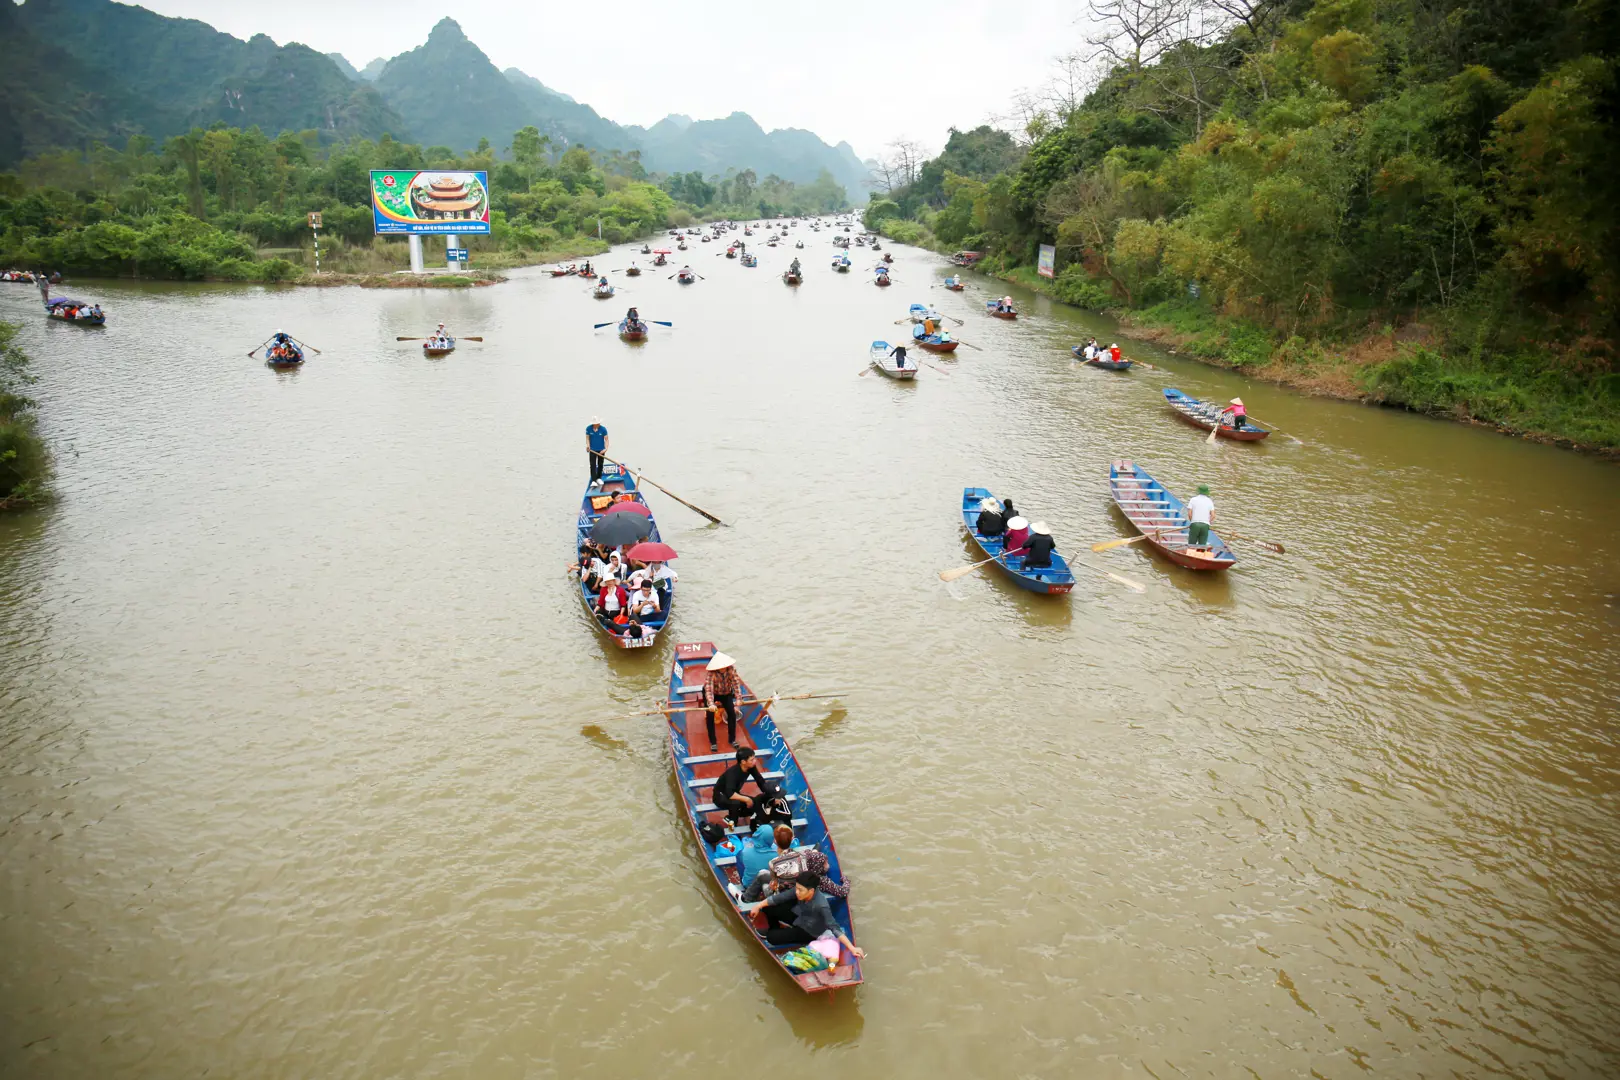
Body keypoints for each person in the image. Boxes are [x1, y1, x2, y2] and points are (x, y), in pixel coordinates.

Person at [738, 872, 865, 956]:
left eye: (800, 890)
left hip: (809, 931)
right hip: (799, 916)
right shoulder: (800, 890)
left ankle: (776, 932)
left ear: (811, 891)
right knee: (767, 907)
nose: (797, 892)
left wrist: (852, 948)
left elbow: (834, 928)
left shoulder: (821, 905)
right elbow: (780, 898)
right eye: (797, 888)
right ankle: (776, 928)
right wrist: (758, 905)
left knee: (772, 937)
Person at [711, 745, 779, 824]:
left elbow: (760, 781)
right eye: (752, 760)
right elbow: (730, 794)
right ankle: (732, 821)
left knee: (755, 803)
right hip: (720, 797)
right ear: (743, 762)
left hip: (734, 793)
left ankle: (737, 814)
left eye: (754, 758)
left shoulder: (751, 767)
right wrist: (747, 799)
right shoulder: (732, 773)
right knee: (736, 803)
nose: (755, 761)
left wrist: (771, 795)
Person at [703, 652, 742, 752]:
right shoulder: (711, 673)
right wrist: (711, 704)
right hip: (713, 694)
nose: (724, 668)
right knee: (710, 716)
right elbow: (709, 690)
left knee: (732, 714)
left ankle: (732, 739)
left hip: (726, 693)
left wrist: (738, 698)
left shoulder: (731, 670)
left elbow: (736, 684)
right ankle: (713, 742)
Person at [1186, 484, 1215, 550]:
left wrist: (1192, 522)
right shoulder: (1210, 501)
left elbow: (1189, 514)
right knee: (1202, 546)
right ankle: (1200, 556)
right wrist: (1208, 522)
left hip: (1195, 524)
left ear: (1198, 491)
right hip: (1205, 525)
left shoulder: (1193, 499)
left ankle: (1190, 555)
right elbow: (1213, 516)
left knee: (1191, 545)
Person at [586, 417, 609, 484]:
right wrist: (588, 446)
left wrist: (605, 449)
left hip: (601, 450)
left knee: (600, 464)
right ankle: (593, 480)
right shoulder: (588, 428)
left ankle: (599, 478)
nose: (596, 424)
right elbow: (587, 439)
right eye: (595, 423)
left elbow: (606, 440)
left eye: (597, 423)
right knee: (592, 464)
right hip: (592, 450)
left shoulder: (603, 429)